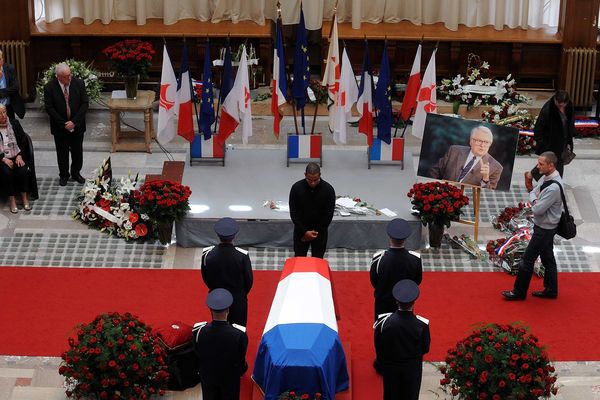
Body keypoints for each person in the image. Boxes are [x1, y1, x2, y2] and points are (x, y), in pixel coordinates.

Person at [502, 151, 563, 300]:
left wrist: (533, 197)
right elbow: (534, 193)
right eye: (538, 163)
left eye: (541, 164)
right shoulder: (548, 178)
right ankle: (551, 290)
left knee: (527, 260)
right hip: (546, 226)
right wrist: (534, 196)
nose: (538, 167)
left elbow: (536, 209)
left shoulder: (553, 187)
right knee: (548, 258)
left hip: (544, 229)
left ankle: (519, 292)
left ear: (551, 165)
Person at [374, 280, 431, 400]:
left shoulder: (384, 323)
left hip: (391, 366)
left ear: (396, 301)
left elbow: (379, 346)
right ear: (414, 302)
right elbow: (425, 348)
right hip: (412, 368)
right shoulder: (421, 325)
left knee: (391, 395)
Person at [193, 288, 248, 400]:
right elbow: (241, 357)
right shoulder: (239, 334)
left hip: (208, 376)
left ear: (210, 310)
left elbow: (198, 352)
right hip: (229, 377)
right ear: (228, 310)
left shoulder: (198, 331)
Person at [201, 217, 253, 327]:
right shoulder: (242, 256)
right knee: (238, 328)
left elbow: (206, 277)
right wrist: (241, 293)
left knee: (219, 326)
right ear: (234, 235)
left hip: (217, 297)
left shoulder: (207, 254)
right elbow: (248, 281)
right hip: (237, 298)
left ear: (218, 235)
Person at [44, 62, 89, 187]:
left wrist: (74, 122)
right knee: (62, 152)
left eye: (70, 75)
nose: (69, 78)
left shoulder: (79, 83)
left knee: (77, 152)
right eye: (66, 76)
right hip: (60, 127)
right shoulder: (49, 87)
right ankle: (64, 175)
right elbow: (49, 108)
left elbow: (85, 103)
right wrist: (64, 124)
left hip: (77, 125)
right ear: (58, 77)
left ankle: (76, 173)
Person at [370, 218, 422, 321]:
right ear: (405, 238)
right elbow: (417, 281)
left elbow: (374, 281)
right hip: (405, 302)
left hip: (383, 303)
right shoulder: (415, 259)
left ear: (390, 237)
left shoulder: (378, 259)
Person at [524, 90, 575, 191]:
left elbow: (570, 121)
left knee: (556, 163)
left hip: (563, 140)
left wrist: (570, 136)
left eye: (563, 105)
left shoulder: (569, 106)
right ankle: (554, 185)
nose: (561, 107)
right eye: (559, 105)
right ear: (555, 100)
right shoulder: (548, 110)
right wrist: (543, 145)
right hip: (550, 143)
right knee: (550, 164)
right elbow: (538, 129)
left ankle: (552, 184)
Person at [429, 125, 503, 189]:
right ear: (471, 141)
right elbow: (435, 171)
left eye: (486, 142)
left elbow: (488, 194)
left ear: (490, 144)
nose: (482, 145)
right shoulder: (454, 151)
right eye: (479, 141)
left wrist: (485, 179)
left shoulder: (496, 167)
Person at [289, 162, 336, 258]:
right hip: (301, 232)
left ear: (320, 175)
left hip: (320, 233)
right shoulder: (296, 188)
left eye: (316, 180)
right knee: (299, 260)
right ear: (305, 175)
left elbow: (328, 214)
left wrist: (315, 232)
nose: (313, 183)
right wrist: (304, 232)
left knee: (318, 261)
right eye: (310, 180)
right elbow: (293, 212)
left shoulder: (328, 190)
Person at [0, 104, 37, 213]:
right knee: (7, 173)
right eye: (0, 114)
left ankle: (24, 197)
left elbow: (23, 141)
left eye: (4, 112)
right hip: (2, 158)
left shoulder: (14, 123)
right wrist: (4, 159)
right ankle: (12, 199)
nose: (3, 115)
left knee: (23, 170)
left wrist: (20, 155)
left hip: (16, 154)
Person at [0, 50, 25, 120]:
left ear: (2, 59)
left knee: (12, 128)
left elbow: (16, 87)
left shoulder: (10, 68)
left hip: (8, 106)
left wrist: (1, 93)